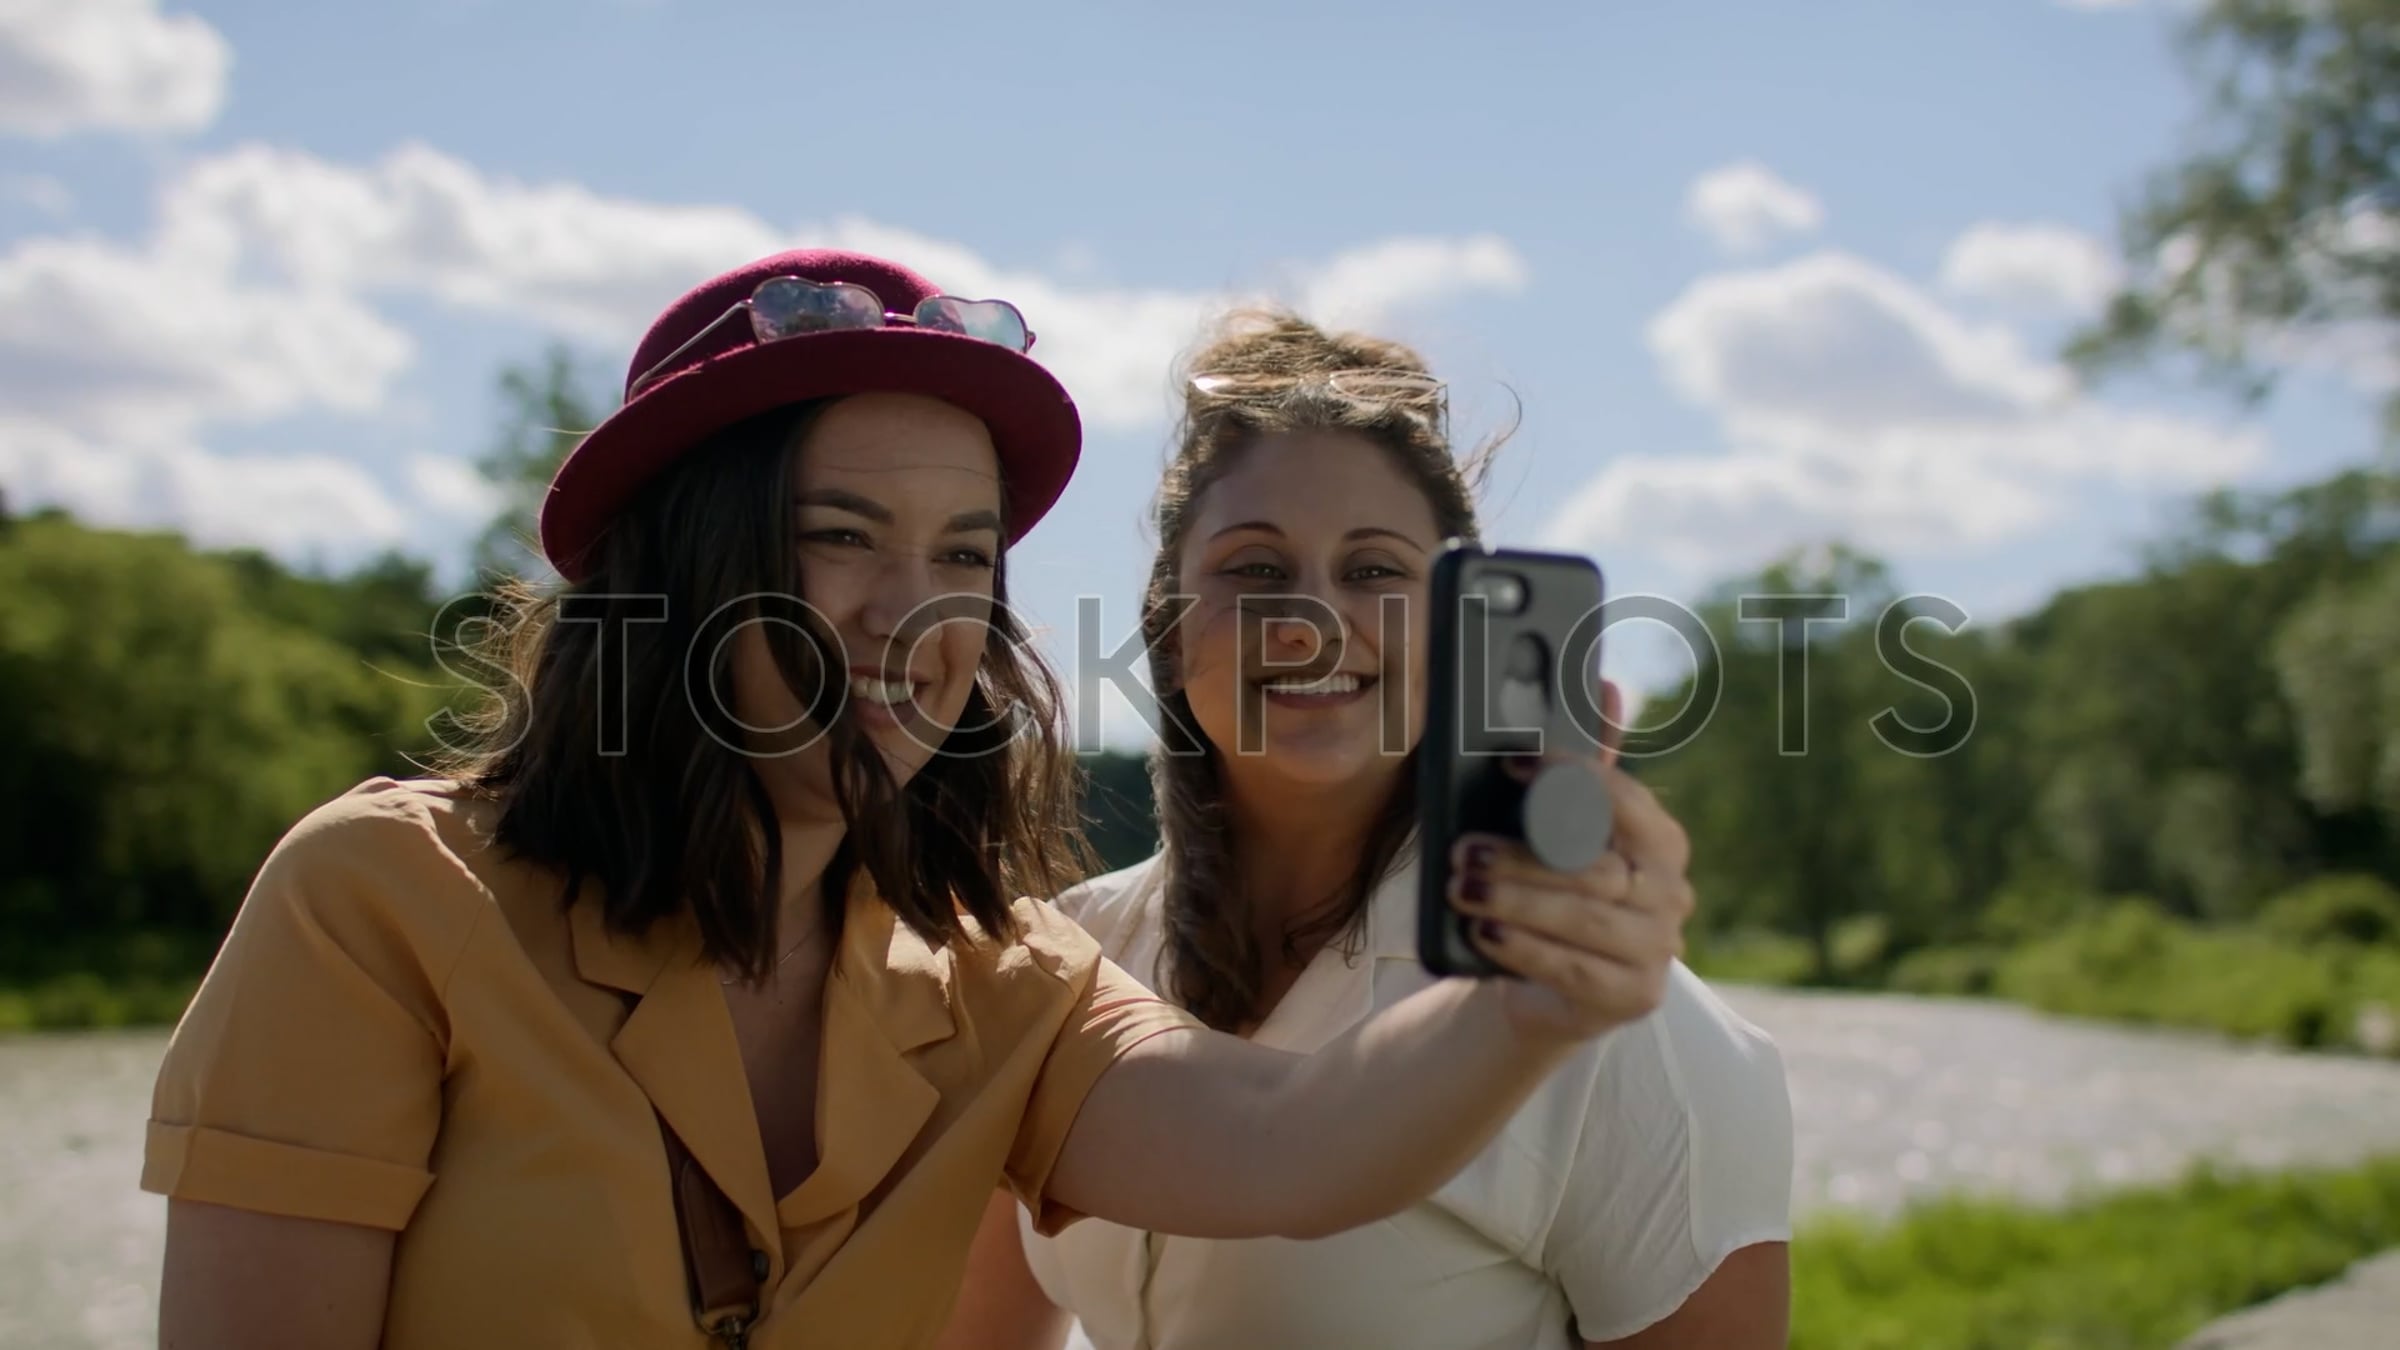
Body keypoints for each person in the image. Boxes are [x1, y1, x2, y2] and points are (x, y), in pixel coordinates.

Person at [140, 251, 1697, 1350]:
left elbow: (1290, 1141)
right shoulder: (381, 902)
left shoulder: (1001, 979)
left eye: (963, 553)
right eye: (840, 536)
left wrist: (1530, 1000)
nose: (914, 611)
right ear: (677, 570)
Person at [938, 311, 1793, 1350]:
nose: (1313, 620)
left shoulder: (1619, 1034)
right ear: (1167, 623)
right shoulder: (1076, 954)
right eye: (1255, 569)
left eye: (1377, 571)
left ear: (1461, 627)